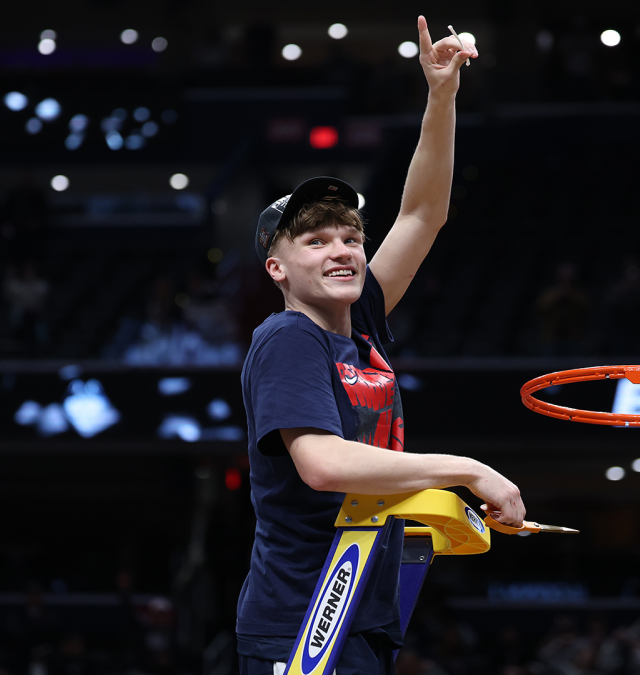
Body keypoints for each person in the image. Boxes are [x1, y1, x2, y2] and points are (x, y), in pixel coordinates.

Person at [237, 16, 525, 675]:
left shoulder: (360, 320)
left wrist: (441, 95)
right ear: (277, 268)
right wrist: (466, 468)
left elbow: (422, 213)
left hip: (356, 611)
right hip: (304, 622)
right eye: (315, 241)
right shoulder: (288, 337)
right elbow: (323, 464)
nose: (341, 250)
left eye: (350, 237)